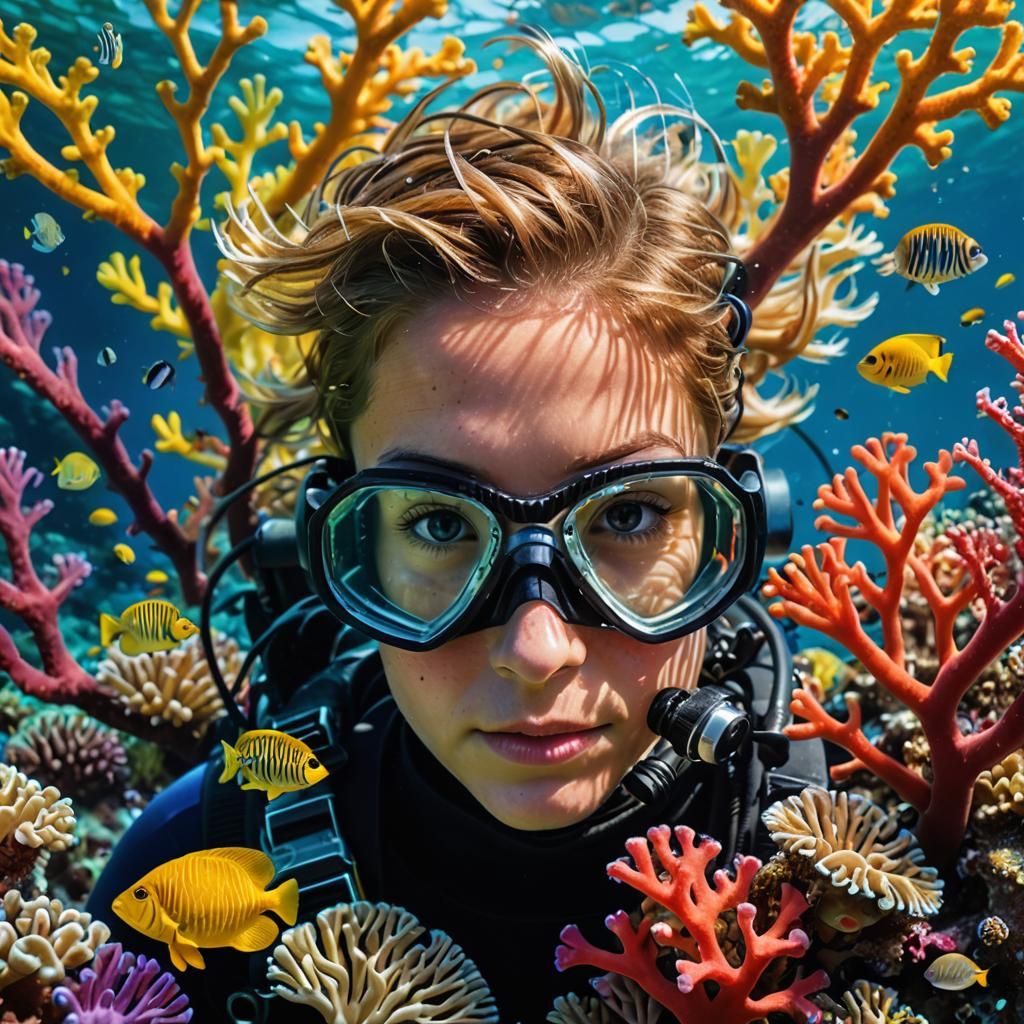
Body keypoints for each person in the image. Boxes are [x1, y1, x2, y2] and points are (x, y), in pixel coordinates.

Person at [87, 27, 826, 1023]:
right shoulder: (185, 869)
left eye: (629, 513)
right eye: (439, 525)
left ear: (734, 533)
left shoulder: (869, 841)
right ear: (342, 550)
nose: (536, 651)